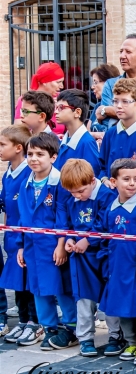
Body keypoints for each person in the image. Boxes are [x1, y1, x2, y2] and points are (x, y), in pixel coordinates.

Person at [16, 133, 77, 350]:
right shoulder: (25, 184)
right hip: (33, 246)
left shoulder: (60, 183)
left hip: (54, 247)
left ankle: (72, 327)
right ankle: (49, 327)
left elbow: (63, 217)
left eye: (40, 154)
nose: (33, 158)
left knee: (62, 288)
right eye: (30, 154)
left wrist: (61, 245)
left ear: (53, 157)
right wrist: (21, 246)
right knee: (39, 289)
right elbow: (23, 219)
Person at [99, 158, 136, 366]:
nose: (132, 183)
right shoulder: (110, 208)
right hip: (117, 266)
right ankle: (131, 341)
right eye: (126, 179)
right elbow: (106, 237)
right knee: (122, 305)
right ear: (114, 182)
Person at [60, 159, 121, 358]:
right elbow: (68, 224)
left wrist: (88, 239)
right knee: (84, 298)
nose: (77, 196)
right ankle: (85, 337)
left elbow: (105, 223)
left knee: (110, 297)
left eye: (81, 191)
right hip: (81, 259)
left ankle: (115, 336)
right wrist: (69, 239)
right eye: (73, 193)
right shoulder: (72, 200)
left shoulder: (107, 196)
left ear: (93, 181)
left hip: (104, 255)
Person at [0, 126, 35, 343]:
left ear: (18, 148)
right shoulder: (7, 174)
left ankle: (34, 322)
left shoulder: (27, 174)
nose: (0, 149)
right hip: (11, 237)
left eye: (3, 144)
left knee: (29, 282)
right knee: (17, 283)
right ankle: (22, 321)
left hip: (25, 238)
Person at [96, 78, 136, 186]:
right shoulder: (110, 133)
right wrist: (105, 180)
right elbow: (102, 166)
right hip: (111, 196)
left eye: (125, 101)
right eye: (115, 101)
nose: (119, 106)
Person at [54, 90, 101, 176]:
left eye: (61, 107)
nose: (56, 112)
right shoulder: (64, 140)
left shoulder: (87, 142)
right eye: (56, 107)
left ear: (77, 112)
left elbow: (92, 176)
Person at [16, 62, 65, 136]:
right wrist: (49, 137)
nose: (62, 86)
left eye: (62, 82)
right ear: (45, 81)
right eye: (58, 82)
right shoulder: (26, 100)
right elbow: (19, 130)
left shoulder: (61, 98)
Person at [88, 63, 121, 132]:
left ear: (109, 82)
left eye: (95, 82)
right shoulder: (98, 106)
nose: (92, 87)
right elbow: (88, 132)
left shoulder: (122, 107)